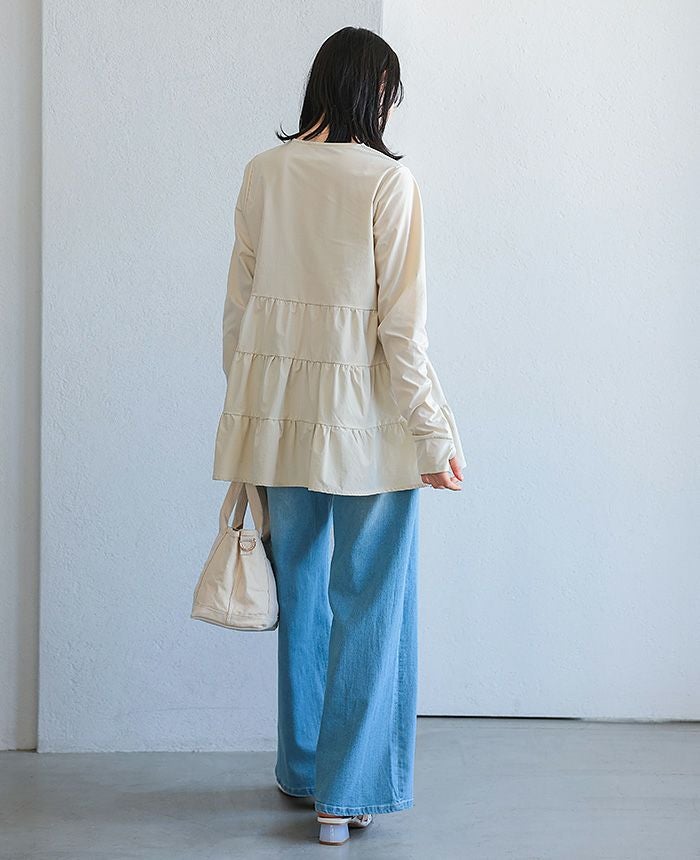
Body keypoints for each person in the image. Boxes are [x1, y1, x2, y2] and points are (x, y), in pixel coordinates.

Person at [212, 25, 466, 847]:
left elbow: (239, 312)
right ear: (375, 92)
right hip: (369, 429)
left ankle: (302, 769)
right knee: (371, 600)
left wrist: (251, 414)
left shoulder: (264, 171)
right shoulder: (389, 182)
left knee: (303, 593)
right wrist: (435, 436)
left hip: (280, 419)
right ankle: (344, 793)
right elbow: (403, 333)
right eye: (390, 93)